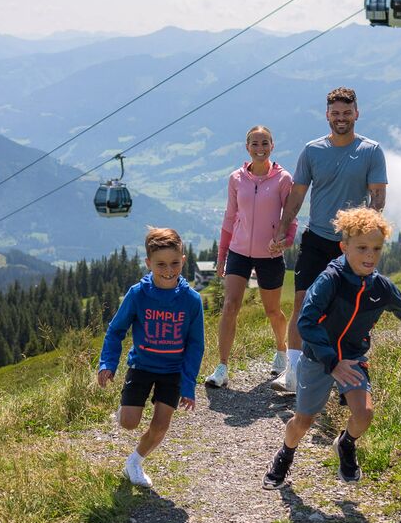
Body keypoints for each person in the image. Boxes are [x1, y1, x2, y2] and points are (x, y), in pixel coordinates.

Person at [264, 207, 401, 489]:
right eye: (362, 248)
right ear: (344, 247)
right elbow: (307, 322)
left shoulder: (380, 287)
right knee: (303, 422)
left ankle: (346, 444)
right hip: (318, 359)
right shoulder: (331, 280)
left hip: (351, 357)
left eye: (376, 249)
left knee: (364, 414)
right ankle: (285, 454)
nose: (370, 255)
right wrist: (331, 361)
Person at [269, 86, 387, 394]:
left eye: (347, 113)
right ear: (327, 116)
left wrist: (365, 237)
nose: (341, 118)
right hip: (316, 238)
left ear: (356, 114)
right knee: (302, 302)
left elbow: (378, 197)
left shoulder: (371, 151)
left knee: (346, 309)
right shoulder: (312, 150)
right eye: (335, 113)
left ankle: (344, 370)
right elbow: (296, 195)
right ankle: (293, 374)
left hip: (349, 245)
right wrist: (282, 229)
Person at [97, 226, 205, 489]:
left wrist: (189, 384)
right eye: (161, 264)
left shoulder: (192, 300)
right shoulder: (138, 294)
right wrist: (107, 363)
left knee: (160, 426)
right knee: (128, 423)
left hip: (173, 372)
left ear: (183, 260)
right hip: (141, 366)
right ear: (148, 263)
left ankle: (134, 462)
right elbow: (116, 330)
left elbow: (195, 345)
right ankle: (125, 408)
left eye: (175, 263)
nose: (169, 270)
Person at [204, 126, 296, 389]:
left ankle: (281, 349)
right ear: (247, 148)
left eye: (264, 143)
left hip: (270, 255)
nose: (260, 148)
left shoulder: (283, 179)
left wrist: (285, 242)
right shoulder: (236, 178)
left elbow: (291, 219)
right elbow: (229, 217)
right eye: (254, 143)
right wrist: (222, 255)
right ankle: (221, 367)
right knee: (230, 304)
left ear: (272, 146)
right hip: (238, 251)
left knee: (272, 310)